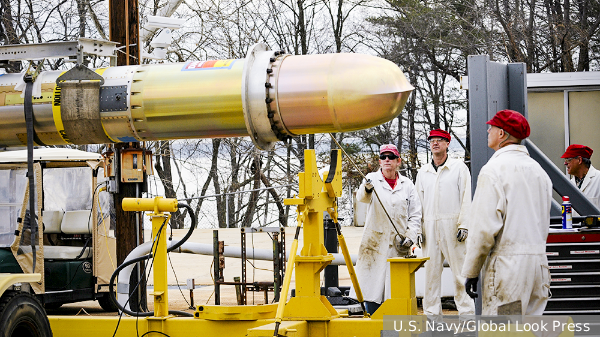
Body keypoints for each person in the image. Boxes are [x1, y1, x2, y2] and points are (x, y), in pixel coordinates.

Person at [462, 109, 552, 315]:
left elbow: (482, 230)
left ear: (501, 134)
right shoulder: (539, 172)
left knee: (503, 330)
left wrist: (472, 271)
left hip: (508, 269)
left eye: (491, 128)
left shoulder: (494, 170)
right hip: (538, 267)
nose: (488, 131)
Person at [349, 144, 422, 315]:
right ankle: (375, 324)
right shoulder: (371, 179)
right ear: (380, 161)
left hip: (399, 247)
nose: (387, 159)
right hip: (374, 244)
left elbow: (416, 214)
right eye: (383, 157)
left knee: (396, 292)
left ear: (398, 161)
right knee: (372, 290)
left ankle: (396, 329)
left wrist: (410, 236)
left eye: (391, 156)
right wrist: (366, 188)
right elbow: (362, 198)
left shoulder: (408, 185)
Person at [415, 129, 474, 319]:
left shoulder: (458, 168)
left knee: (460, 273)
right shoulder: (423, 172)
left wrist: (464, 224)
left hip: (453, 226)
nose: (435, 143)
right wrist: (417, 229)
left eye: (440, 140)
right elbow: (417, 204)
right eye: (432, 140)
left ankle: (467, 314)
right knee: (431, 274)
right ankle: (432, 316)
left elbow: (467, 197)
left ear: (448, 144)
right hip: (430, 227)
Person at [561, 144, 600, 209]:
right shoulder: (570, 183)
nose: (565, 163)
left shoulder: (598, 179)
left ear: (579, 160)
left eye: (568, 160)